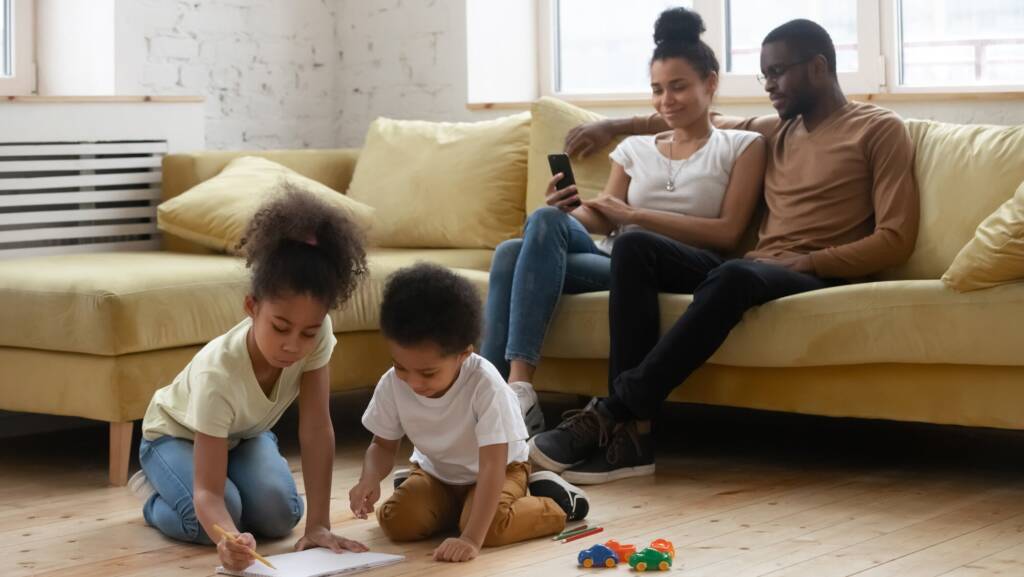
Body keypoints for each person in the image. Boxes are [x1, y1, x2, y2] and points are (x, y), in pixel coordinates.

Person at [530, 18, 920, 485]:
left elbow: (896, 238)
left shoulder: (877, 129)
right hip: (757, 268)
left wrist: (809, 261)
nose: (769, 86)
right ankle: (634, 439)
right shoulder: (774, 129)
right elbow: (690, 118)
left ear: (818, 67)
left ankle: (613, 409)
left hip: (817, 271)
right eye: (764, 75)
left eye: (778, 72)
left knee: (735, 275)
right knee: (634, 245)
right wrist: (612, 125)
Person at [482, 6, 766, 436]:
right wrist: (568, 208)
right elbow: (601, 216)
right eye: (656, 89)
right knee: (529, 234)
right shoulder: (637, 147)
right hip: (614, 260)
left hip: (678, 267)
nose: (665, 101)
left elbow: (727, 233)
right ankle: (510, 392)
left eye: (677, 87)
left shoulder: (743, 145)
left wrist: (634, 215)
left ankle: (498, 400)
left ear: (710, 83)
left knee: (511, 254)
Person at [131, 185, 370, 571]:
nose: (293, 345)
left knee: (280, 516)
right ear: (251, 307)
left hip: (241, 435)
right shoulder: (218, 375)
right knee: (213, 515)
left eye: (308, 332)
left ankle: (206, 492)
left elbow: (315, 428)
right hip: (175, 435)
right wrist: (229, 542)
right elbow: (208, 492)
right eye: (280, 327)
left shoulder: (319, 334)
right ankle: (156, 497)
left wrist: (320, 525)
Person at [349, 263, 590, 563]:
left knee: (490, 531)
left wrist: (471, 538)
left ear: (464, 354)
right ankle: (449, 506)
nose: (412, 382)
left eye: (427, 372)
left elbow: (492, 466)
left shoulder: (485, 385)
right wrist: (368, 478)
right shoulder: (392, 383)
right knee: (398, 521)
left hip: (500, 471)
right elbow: (382, 445)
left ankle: (555, 501)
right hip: (438, 471)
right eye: (401, 366)